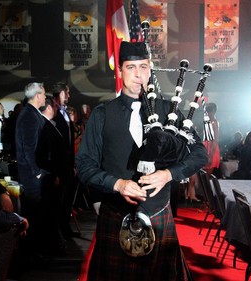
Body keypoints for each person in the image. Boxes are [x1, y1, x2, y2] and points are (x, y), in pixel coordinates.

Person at [76, 41, 208, 281]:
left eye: (144, 67)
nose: (138, 75)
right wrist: (118, 184)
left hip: (158, 215)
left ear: (151, 70)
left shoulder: (170, 110)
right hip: (115, 217)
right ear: (119, 70)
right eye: (131, 67)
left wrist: (169, 174)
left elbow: (199, 153)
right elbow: (84, 166)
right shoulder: (102, 114)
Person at [15, 82, 46, 255]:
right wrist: (38, 172)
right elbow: (29, 148)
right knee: (34, 216)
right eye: (43, 94)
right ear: (37, 95)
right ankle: (32, 254)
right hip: (32, 177)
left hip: (32, 175)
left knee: (36, 215)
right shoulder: (29, 115)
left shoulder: (32, 114)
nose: (45, 97)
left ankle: (34, 252)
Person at [35, 96, 68, 254]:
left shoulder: (49, 125)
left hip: (55, 174)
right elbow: (45, 155)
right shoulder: (44, 126)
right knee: (50, 212)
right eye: (54, 106)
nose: (56, 109)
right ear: (48, 107)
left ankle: (52, 244)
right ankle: (49, 246)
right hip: (51, 176)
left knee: (53, 211)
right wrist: (54, 174)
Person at [51, 82, 78, 238]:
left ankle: (65, 226)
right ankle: (58, 230)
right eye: (67, 92)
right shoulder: (55, 112)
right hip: (59, 163)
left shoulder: (66, 112)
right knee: (60, 199)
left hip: (68, 163)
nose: (68, 95)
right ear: (61, 93)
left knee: (67, 198)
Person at [202, 102, 220, 177]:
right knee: (202, 177)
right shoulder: (207, 122)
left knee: (205, 177)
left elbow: (215, 140)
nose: (207, 112)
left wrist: (211, 156)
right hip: (205, 148)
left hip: (211, 149)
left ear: (213, 111)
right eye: (206, 110)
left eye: (209, 110)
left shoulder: (214, 123)